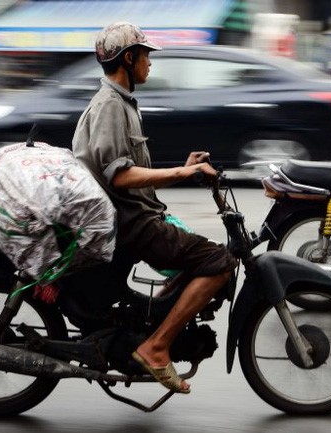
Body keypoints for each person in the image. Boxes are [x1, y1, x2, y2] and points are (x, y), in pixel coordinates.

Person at [72, 22, 238, 394]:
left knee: (194, 258)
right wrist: (184, 170)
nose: (150, 63)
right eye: (146, 55)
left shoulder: (122, 102)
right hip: (131, 223)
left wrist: (185, 165)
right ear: (128, 59)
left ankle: (150, 330)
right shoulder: (111, 106)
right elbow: (119, 176)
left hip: (134, 216)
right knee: (220, 263)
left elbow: (130, 169)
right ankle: (156, 346)